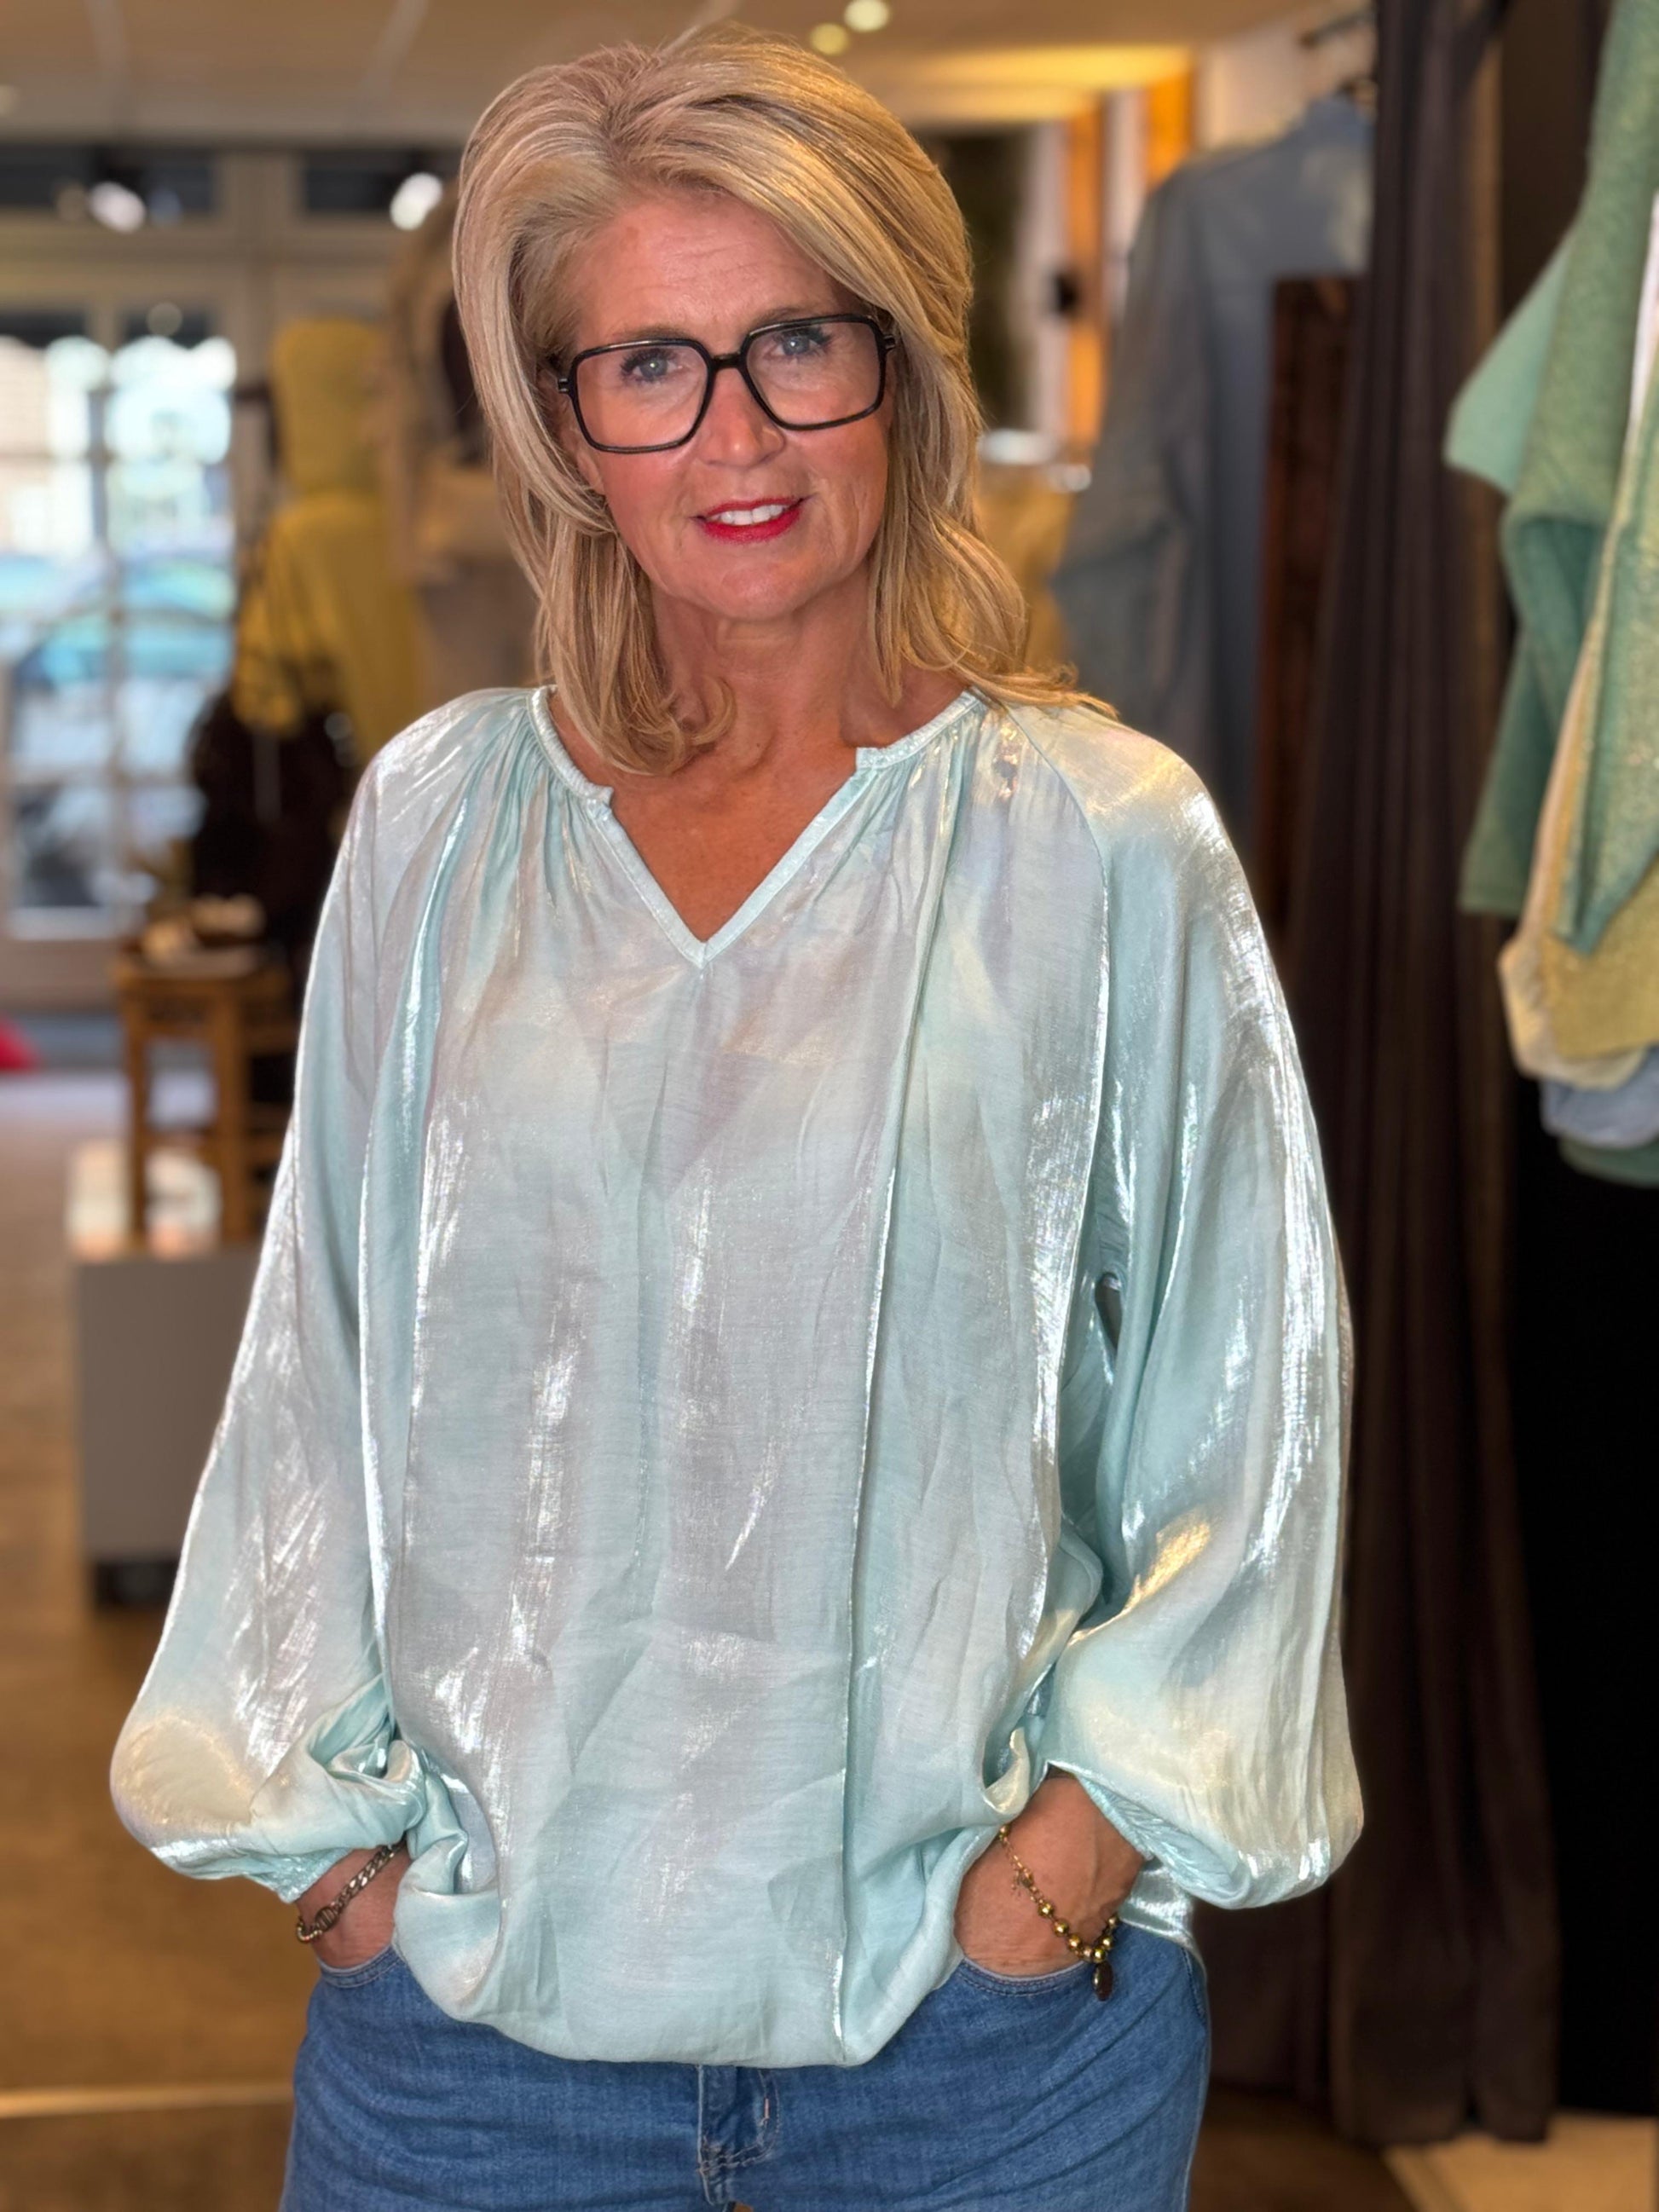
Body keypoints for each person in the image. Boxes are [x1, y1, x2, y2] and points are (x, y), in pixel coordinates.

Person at [110, 27, 1360, 2211]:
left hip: (975, 2066)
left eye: (795, 341)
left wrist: (1055, 1878)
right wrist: (342, 1876)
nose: (735, 433)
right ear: (567, 420)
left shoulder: (1095, 839)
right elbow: (314, 1371)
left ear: (901, 365)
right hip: (475, 2055)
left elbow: (1245, 1410)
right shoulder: (441, 823)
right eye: (649, 365)